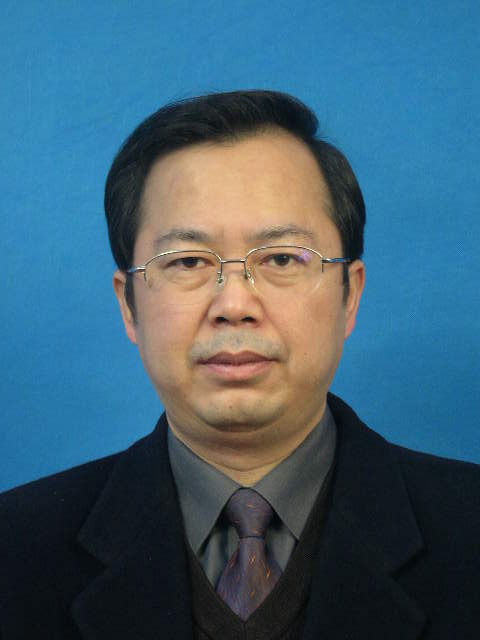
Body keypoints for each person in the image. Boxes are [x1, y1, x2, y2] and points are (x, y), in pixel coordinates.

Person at [1, 90, 478, 639]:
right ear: (128, 305)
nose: (233, 305)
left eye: (281, 258)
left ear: (350, 294)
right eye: (187, 262)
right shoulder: (15, 551)